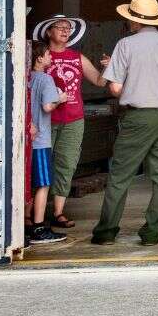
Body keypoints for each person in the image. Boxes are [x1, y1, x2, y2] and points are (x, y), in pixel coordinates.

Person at [90, 0, 158, 247]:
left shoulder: (125, 45)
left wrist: (134, 86)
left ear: (134, 21)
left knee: (120, 175)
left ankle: (106, 231)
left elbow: (114, 89)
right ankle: (152, 232)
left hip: (138, 117)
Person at [31, 14, 105, 231]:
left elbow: (100, 81)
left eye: (68, 28)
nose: (65, 31)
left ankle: (58, 212)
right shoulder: (40, 56)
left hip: (73, 119)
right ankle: (30, 214)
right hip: (45, 120)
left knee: (67, 163)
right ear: (48, 32)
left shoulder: (77, 57)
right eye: (59, 27)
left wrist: (111, 67)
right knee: (38, 164)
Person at [26, 41, 67, 245]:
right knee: (43, 184)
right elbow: (47, 106)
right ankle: (39, 228)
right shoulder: (46, 79)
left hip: (25, 141)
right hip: (40, 139)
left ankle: (25, 223)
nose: (51, 58)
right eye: (48, 55)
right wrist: (61, 98)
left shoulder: (26, 77)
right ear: (40, 58)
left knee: (27, 184)